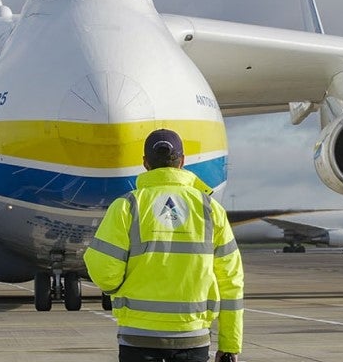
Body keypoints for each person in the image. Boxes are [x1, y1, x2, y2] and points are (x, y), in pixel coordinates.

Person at [85, 128, 244, 362]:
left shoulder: (127, 206)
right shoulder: (211, 209)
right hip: (193, 336)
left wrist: (117, 290)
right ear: (182, 161)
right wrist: (229, 344)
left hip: (138, 335)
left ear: (145, 163)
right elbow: (231, 282)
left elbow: (102, 270)